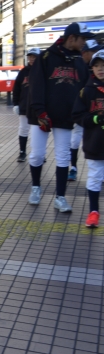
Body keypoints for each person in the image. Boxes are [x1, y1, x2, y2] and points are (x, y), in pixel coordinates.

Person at [27, 22, 91, 212]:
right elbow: (35, 85)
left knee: (63, 157)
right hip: (41, 116)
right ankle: (36, 187)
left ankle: (60, 197)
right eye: (82, 38)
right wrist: (40, 112)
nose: (84, 43)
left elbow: (85, 90)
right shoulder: (46, 57)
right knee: (37, 155)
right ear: (72, 38)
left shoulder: (79, 61)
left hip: (65, 117)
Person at [73, 50, 104, 228]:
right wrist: (95, 119)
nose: (100, 69)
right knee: (95, 176)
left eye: (103, 65)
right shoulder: (86, 91)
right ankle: (93, 212)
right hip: (95, 142)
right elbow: (77, 115)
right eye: (97, 65)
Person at [70, 39, 104, 181]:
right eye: (93, 51)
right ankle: (73, 167)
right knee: (76, 138)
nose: (96, 52)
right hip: (84, 106)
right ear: (85, 52)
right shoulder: (76, 64)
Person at [12, 48, 41, 162]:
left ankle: (39, 153)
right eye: (30, 57)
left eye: (34, 57)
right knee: (23, 129)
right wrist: (16, 104)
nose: (32, 59)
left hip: (39, 107)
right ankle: (22, 152)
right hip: (25, 106)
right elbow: (16, 89)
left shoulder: (43, 71)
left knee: (38, 130)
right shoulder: (23, 72)